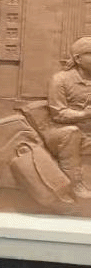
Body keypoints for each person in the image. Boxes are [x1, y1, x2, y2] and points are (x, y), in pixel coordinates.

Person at [43, 37, 91, 198]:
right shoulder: (61, 79)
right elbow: (58, 114)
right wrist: (84, 114)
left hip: (88, 132)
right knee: (72, 133)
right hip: (60, 132)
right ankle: (74, 185)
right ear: (78, 59)